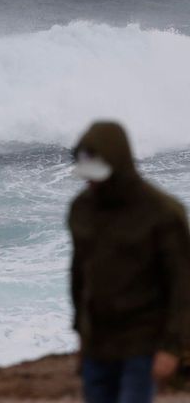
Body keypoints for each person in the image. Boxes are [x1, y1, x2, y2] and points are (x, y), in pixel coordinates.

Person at [69, 122, 190, 403]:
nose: (90, 181)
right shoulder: (81, 210)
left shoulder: (162, 213)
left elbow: (182, 283)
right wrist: (81, 335)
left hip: (143, 342)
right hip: (98, 344)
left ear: (118, 163)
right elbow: (79, 276)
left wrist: (172, 347)